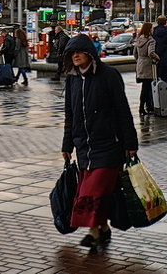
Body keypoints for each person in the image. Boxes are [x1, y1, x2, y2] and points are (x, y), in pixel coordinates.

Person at [61, 33, 138, 248]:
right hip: (84, 147)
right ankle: (103, 228)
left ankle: (93, 232)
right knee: (100, 193)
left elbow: (122, 111)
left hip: (108, 145)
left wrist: (130, 143)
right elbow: (70, 115)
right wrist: (67, 144)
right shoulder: (73, 79)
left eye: (79, 52)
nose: (75, 56)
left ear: (89, 53)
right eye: (71, 53)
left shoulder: (108, 75)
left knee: (91, 192)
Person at [131, 22, 158, 115]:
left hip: (140, 63)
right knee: (147, 88)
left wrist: (139, 60)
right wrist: (157, 58)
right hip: (148, 65)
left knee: (145, 87)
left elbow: (135, 53)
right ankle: (143, 108)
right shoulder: (151, 40)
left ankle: (145, 107)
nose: (153, 30)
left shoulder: (139, 39)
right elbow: (151, 53)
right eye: (152, 28)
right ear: (149, 29)